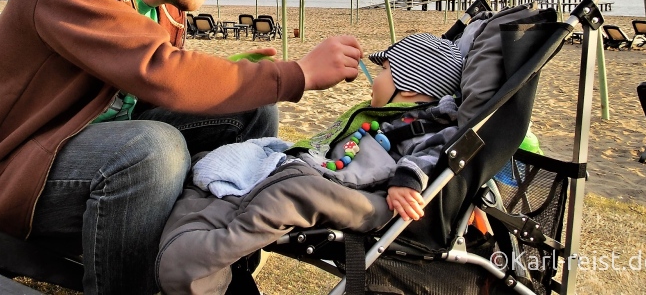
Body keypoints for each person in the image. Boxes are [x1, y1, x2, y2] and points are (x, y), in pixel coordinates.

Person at [0, 0, 363, 295]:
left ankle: (219, 265)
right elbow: (159, 70)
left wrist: (228, 77)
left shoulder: (165, 10)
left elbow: (149, 84)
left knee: (251, 112)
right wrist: (301, 74)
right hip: (8, 180)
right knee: (150, 148)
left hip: (90, 153)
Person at [193, 32, 464, 224]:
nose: (375, 79)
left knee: (277, 179)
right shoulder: (393, 118)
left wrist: (406, 183)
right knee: (250, 153)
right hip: (326, 165)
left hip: (335, 180)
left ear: (410, 87)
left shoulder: (426, 127)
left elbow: (433, 153)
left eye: (384, 71)